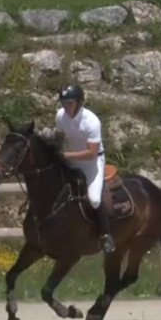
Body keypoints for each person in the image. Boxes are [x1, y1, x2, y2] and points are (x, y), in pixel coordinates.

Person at [55, 83, 115, 254]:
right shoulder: (60, 116)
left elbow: (91, 153)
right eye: (64, 103)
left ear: (79, 103)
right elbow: (59, 137)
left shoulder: (91, 121)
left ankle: (106, 235)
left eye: (70, 103)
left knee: (95, 199)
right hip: (70, 158)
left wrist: (66, 156)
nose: (66, 106)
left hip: (92, 162)